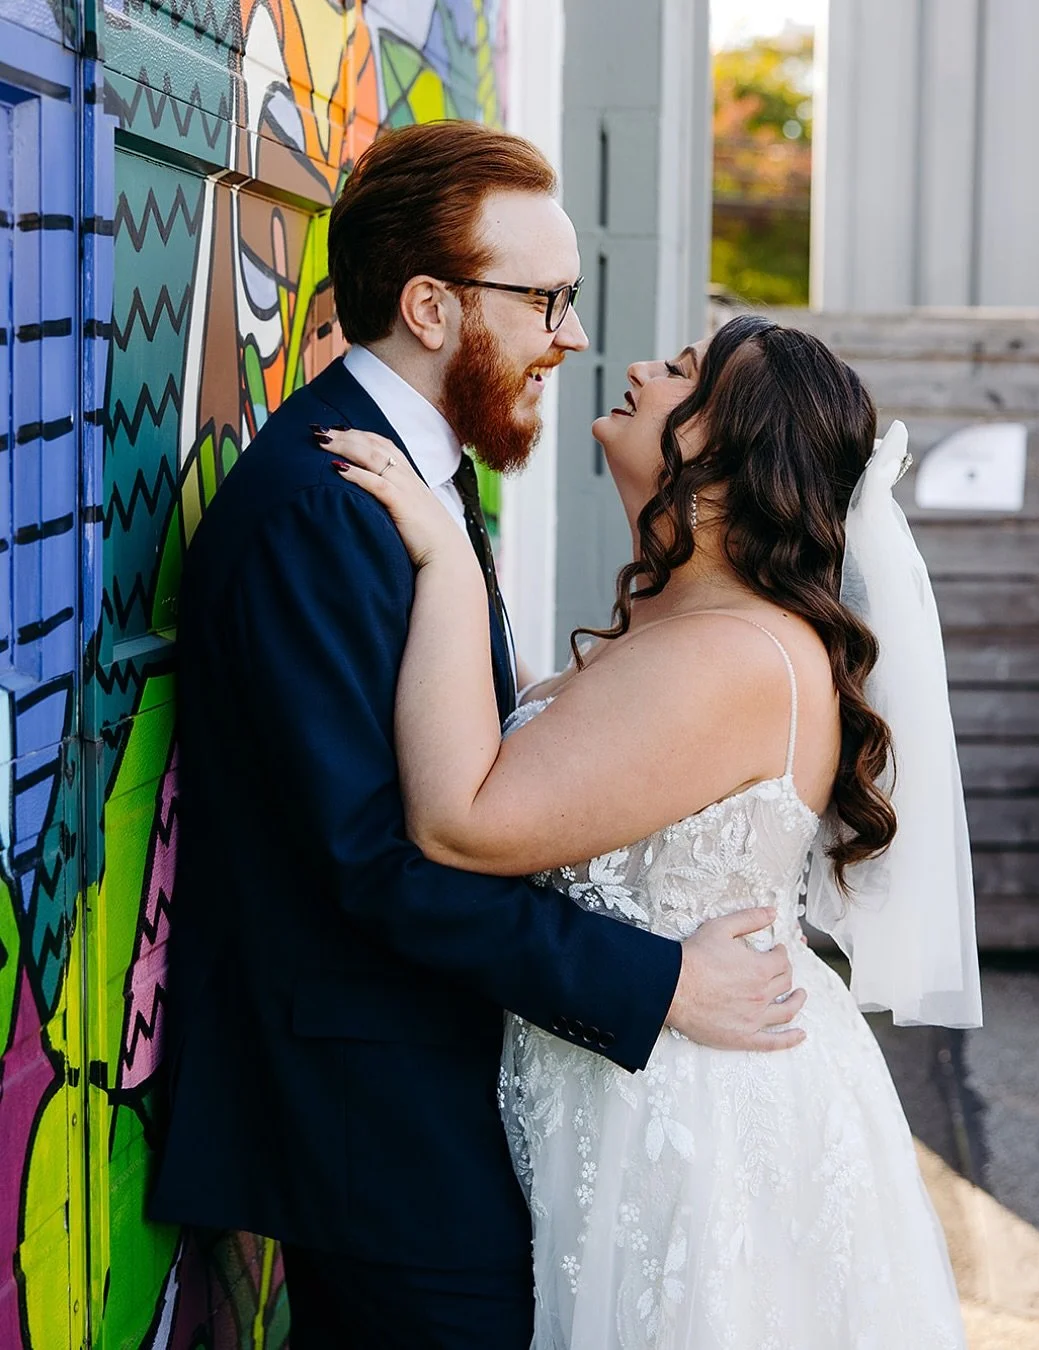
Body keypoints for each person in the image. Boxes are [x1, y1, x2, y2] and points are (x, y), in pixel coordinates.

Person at [148, 124, 809, 1349]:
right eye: (546, 299)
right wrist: (661, 982)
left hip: (430, 1096)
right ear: (431, 307)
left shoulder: (421, 479)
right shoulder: (317, 507)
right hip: (374, 1122)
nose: (573, 335)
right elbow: (377, 861)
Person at [322, 312, 983, 1348]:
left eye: (682, 373)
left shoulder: (734, 656)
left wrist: (446, 560)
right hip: (632, 1078)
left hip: (689, 1119)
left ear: (733, 461)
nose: (637, 367)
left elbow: (461, 820)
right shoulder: (688, 627)